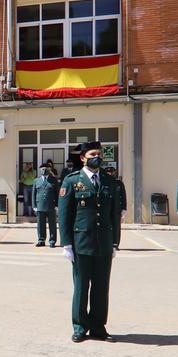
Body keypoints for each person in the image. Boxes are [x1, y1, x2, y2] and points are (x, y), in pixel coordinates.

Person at [58, 141, 121, 343]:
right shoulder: (71, 181)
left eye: (100, 154)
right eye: (94, 154)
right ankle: (79, 326)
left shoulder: (110, 181)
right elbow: (64, 216)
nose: (98, 157)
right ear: (83, 157)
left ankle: (98, 327)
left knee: (101, 288)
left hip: (104, 241)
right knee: (82, 286)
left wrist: (115, 242)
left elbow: (114, 215)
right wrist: (66, 244)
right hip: (81, 242)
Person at [33, 164, 59, 247]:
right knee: (40, 224)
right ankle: (41, 240)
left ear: (49, 169)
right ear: (40, 169)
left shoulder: (54, 180)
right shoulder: (36, 180)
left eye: (46, 168)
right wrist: (34, 205)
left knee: (52, 224)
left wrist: (57, 205)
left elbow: (57, 193)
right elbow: (34, 194)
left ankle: (52, 241)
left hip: (51, 205)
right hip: (40, 205)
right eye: (42, 168)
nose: (44, 170)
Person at [106, 165, 127, 229]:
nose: (110, 174)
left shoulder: (119, 183)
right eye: (108, 172)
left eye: (111, 172)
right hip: (106, 208)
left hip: (117, 208)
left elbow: (123, 196)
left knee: (116, 227)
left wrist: (124, 208)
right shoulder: (103, 182)